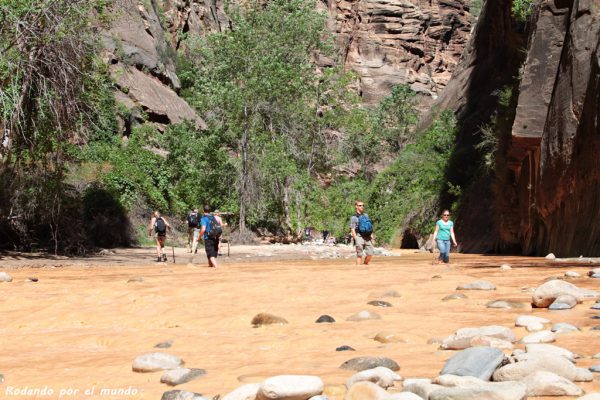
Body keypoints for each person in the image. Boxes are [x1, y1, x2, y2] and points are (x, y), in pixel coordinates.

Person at [350, 200, 374, 265]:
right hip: (359, 236)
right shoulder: (353, 217)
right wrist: (356, 239)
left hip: (367, 237)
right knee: (359, 255)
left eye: (363, 205)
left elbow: (369, 226)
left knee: (370, 254)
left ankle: (365, 265)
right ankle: (358, 270)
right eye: (360, 205)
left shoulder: (366, 215)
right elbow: (352, 229)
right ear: (356, 206)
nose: (362, 207)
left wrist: (372, 237)